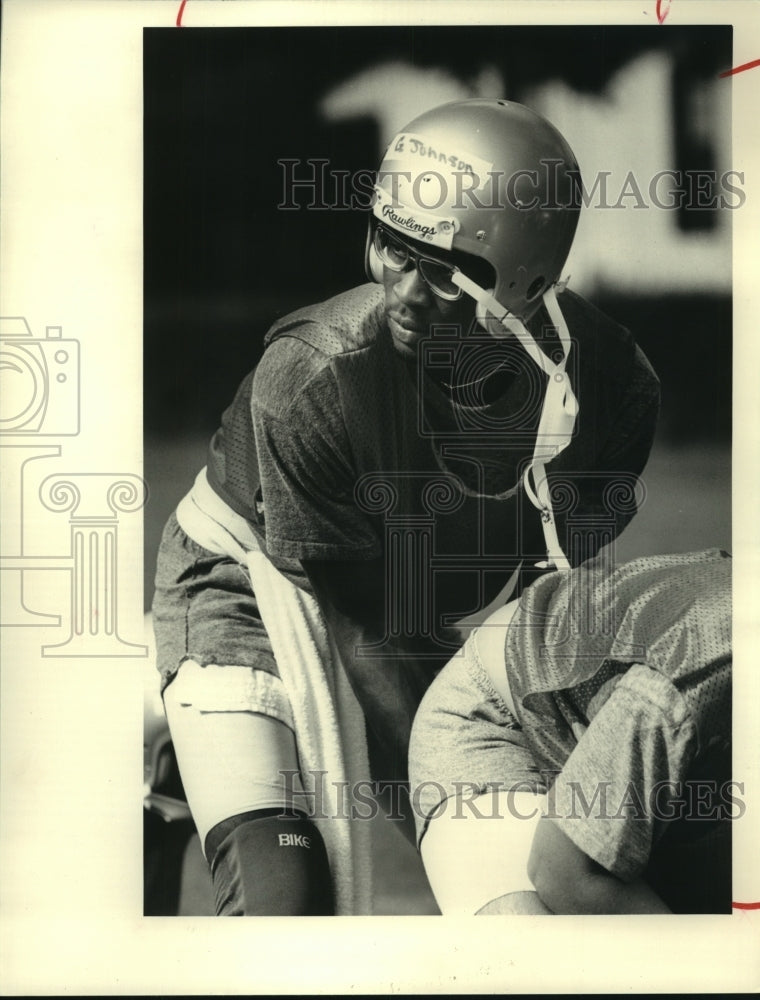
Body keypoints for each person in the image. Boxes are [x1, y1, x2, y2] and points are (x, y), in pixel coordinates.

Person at [151, 98, 660, 915]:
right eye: (394, 246)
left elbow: (553, 604)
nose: (406, 291)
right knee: (286, 903)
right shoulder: (315, 373)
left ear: (529, 278)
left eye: (451, 271)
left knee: (559, 881)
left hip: (421, 615)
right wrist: (457, 819)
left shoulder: (614, 389)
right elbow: (370, 638)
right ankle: (184, 742)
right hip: (251, 591)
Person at [408, 548, 733, 915]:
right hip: (504, 719)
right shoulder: (700, 676)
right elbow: (563, 872)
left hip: (635, 734)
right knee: (539, 962)